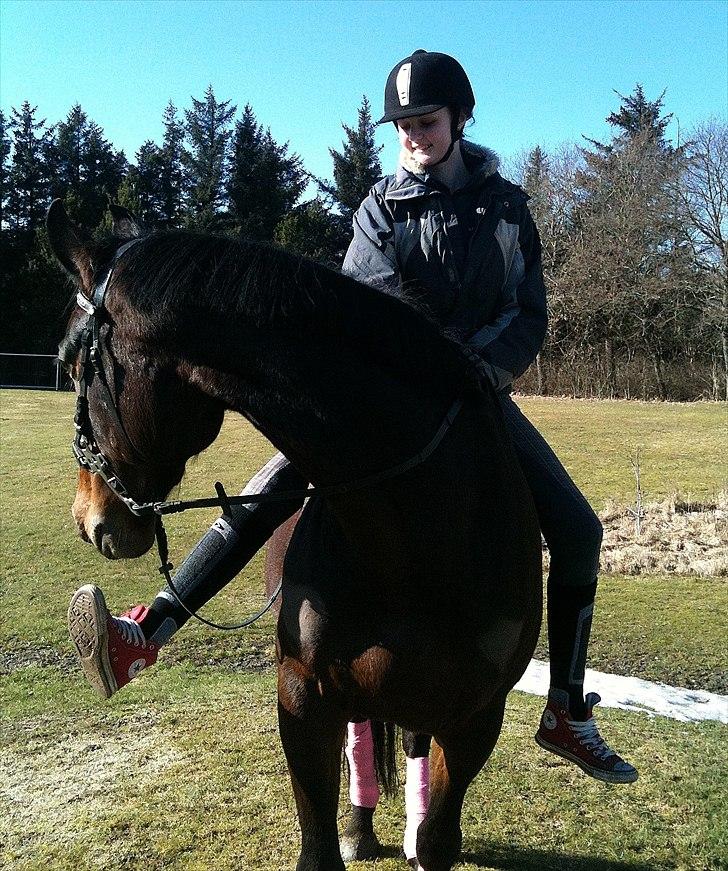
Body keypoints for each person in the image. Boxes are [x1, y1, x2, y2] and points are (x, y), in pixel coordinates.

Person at [68, 49, 637, 786]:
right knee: (268, 488)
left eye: (427, 121)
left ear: (460, 120)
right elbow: (367, 311)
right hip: (380, 406)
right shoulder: (378, 211)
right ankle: (146, 632)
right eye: (403, 125)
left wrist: (480, 369)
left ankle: (566, 708)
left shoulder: (506, 210)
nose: (414, 136)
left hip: (480, 396)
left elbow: (526, 313)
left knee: (579, 527)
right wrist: (420, 371)